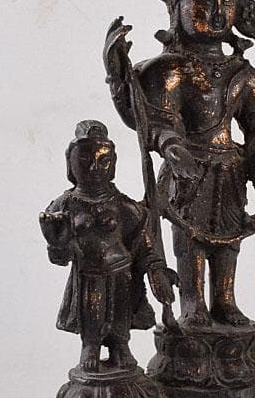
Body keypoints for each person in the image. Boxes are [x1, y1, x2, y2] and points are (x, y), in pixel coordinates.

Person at [104, 0, 255, 328]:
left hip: (231, 169)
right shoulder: (169, 71)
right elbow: (153, 122)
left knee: (229, 240)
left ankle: (225, 300)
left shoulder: (244, 75)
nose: (215, 14)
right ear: (176, 8)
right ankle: (192, 302)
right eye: (203, 3)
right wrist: (170, 145)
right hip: (187, 169)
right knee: (190, 241)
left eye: (225, 4)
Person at [39, 121, 176, 372]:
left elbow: (144, 244)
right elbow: (60, 256)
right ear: (70, 163)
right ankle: (90, 346)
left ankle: (120, 346)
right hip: (88, 273)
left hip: (121, 270)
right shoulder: (65, 204)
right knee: (91, 311)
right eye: (85, 161)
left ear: (113, 165)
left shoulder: (121, 204)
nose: (94, 168)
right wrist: (57, 245)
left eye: (103, 161)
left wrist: (156, 269)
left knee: (120, 313)